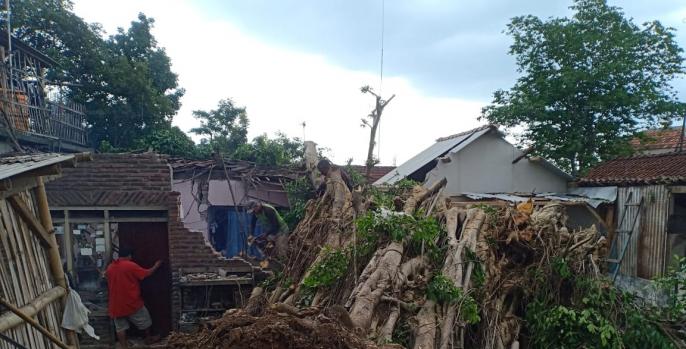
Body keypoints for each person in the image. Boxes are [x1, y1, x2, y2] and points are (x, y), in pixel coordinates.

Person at [105, 247, 161, 348]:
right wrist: (156, 266)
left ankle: (123, 346)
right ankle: (148, 339)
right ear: (129, 255)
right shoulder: (130, 265)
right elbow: (146, 273)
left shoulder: (110, 267)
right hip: (131, 302)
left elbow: (106, 278)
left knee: (120, 328)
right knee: (146, 321)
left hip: (116, 304)